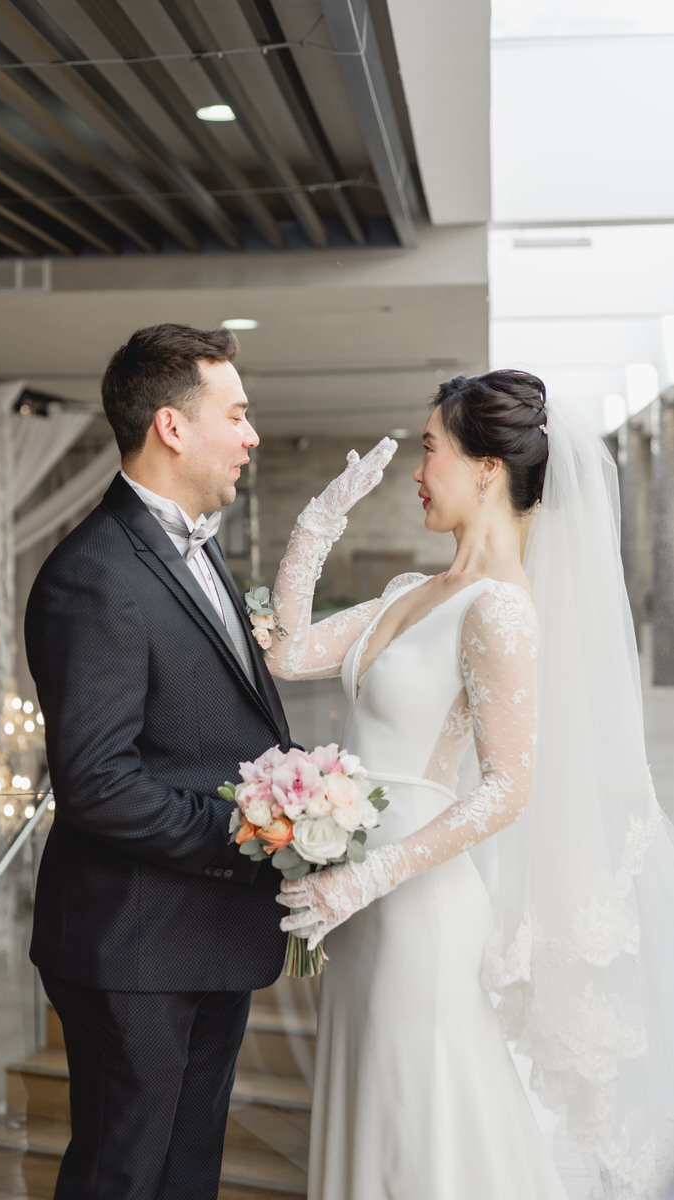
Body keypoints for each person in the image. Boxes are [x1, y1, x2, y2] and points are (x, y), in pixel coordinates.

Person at [267, 370, 674, 1199]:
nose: (417, 473)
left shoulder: (501, 609)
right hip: (355, 911)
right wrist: (317, 522)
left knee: (421, 1126)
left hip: (414, 910)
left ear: (487, 469)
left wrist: (364, 879)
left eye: (429, 450)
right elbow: (288, 652)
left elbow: (506, 788)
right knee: (372, 1116)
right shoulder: (411, 593)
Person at [24, 323, 292, 1200]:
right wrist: (250, 832)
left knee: (184, 1175)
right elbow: (97, 784)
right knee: (123, 1177)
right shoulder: (93, 572)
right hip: (134, 947)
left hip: (205, 934)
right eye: (236, 414)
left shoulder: (201, 547)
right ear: (172, 427)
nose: (251, 435)